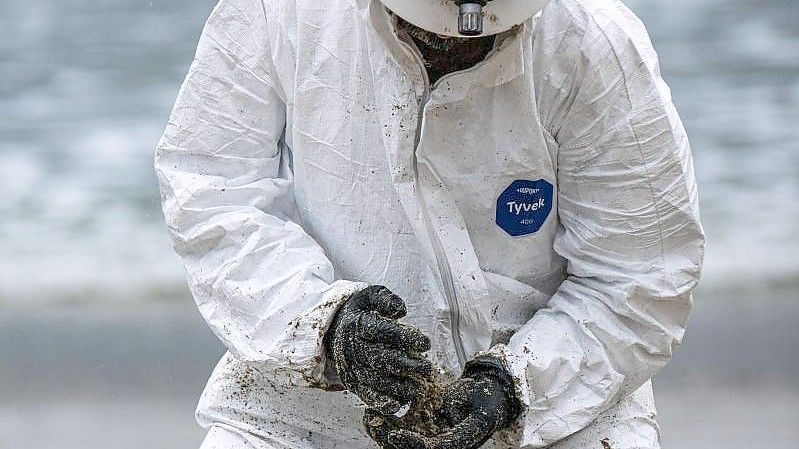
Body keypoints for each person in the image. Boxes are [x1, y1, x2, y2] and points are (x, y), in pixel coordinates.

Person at [154, 0, 705, 447]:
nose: (453, 46)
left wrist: (515, 385)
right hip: (306, 402)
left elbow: (638, 276)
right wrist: (323, 326)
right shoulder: (280, 11)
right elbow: (212, 190)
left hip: (562, 401)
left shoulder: (592, 43)